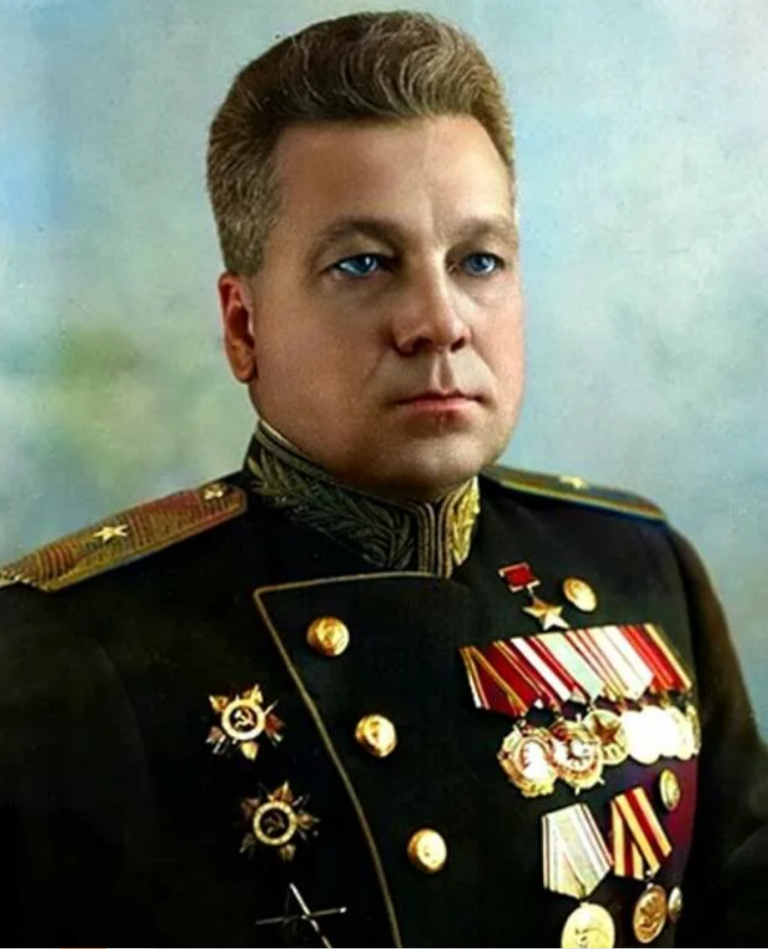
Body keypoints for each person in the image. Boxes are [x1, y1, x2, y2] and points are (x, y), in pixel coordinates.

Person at [0, 10, 766, 948]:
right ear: (244, 327)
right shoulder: (71, 646)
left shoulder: (640, 565)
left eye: (478, 261)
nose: (439, 321)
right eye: (362, 264)